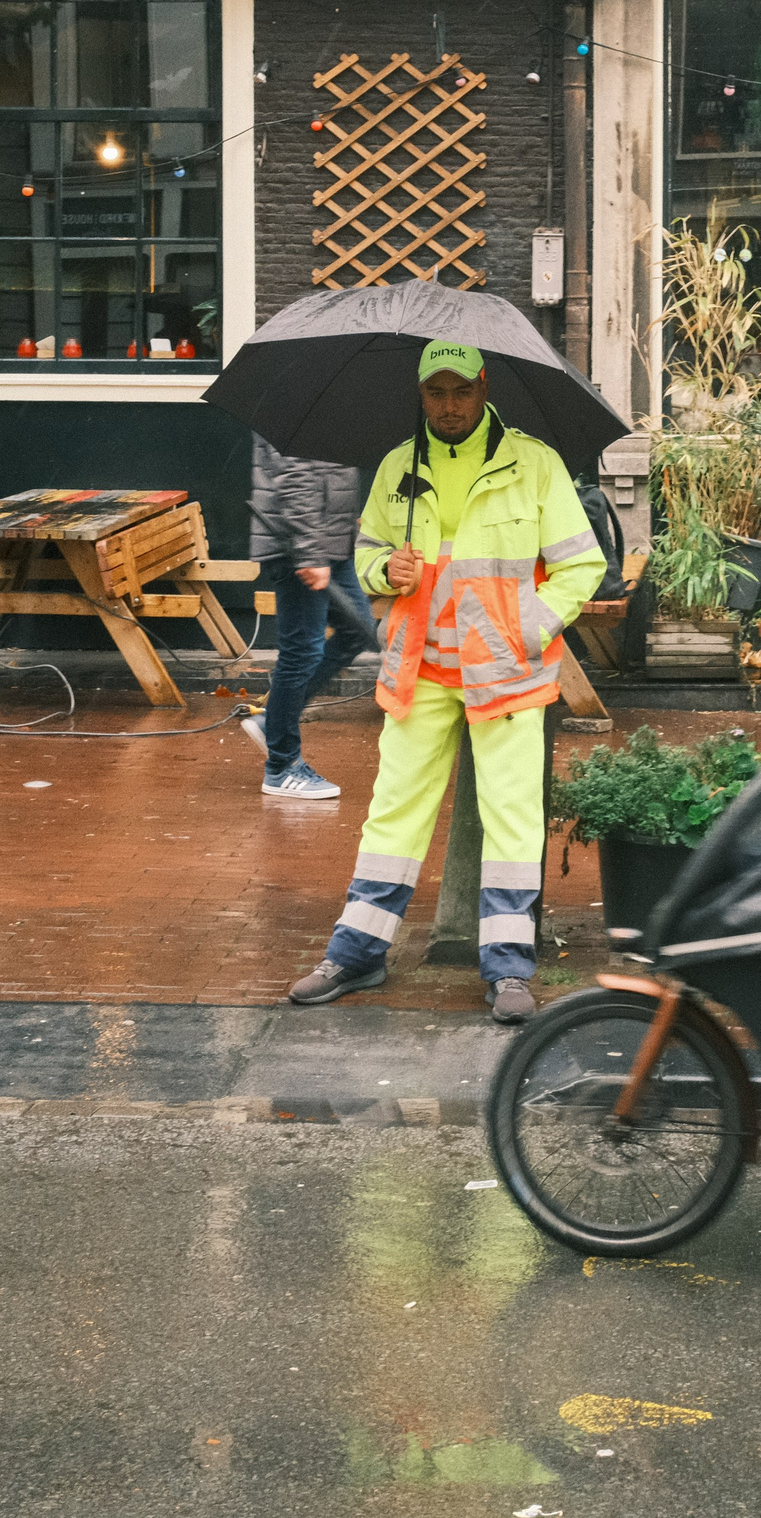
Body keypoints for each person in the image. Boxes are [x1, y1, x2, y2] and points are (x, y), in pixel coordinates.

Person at [285, 341, 606, 1024]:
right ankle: (357, 951)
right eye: (438, 391)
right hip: (420, 667)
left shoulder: (535, 463)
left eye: (462, 389)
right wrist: (382, 572)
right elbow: (366, 552)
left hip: (507, 674)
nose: (451, 404)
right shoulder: (398, 466)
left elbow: (583, 566)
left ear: (485, 386)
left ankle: (510, 968)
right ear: (421, 394)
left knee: (512, 817)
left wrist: (523, 629)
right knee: (393, 811)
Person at [241, 441, 380, 800]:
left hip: (332, 543)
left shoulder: (331, 400)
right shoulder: (294, 394)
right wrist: (309, 552)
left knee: (357, 630)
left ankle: (274, 719)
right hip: (300, 546)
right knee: (301, 651)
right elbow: (295, 475)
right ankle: (281, 768)